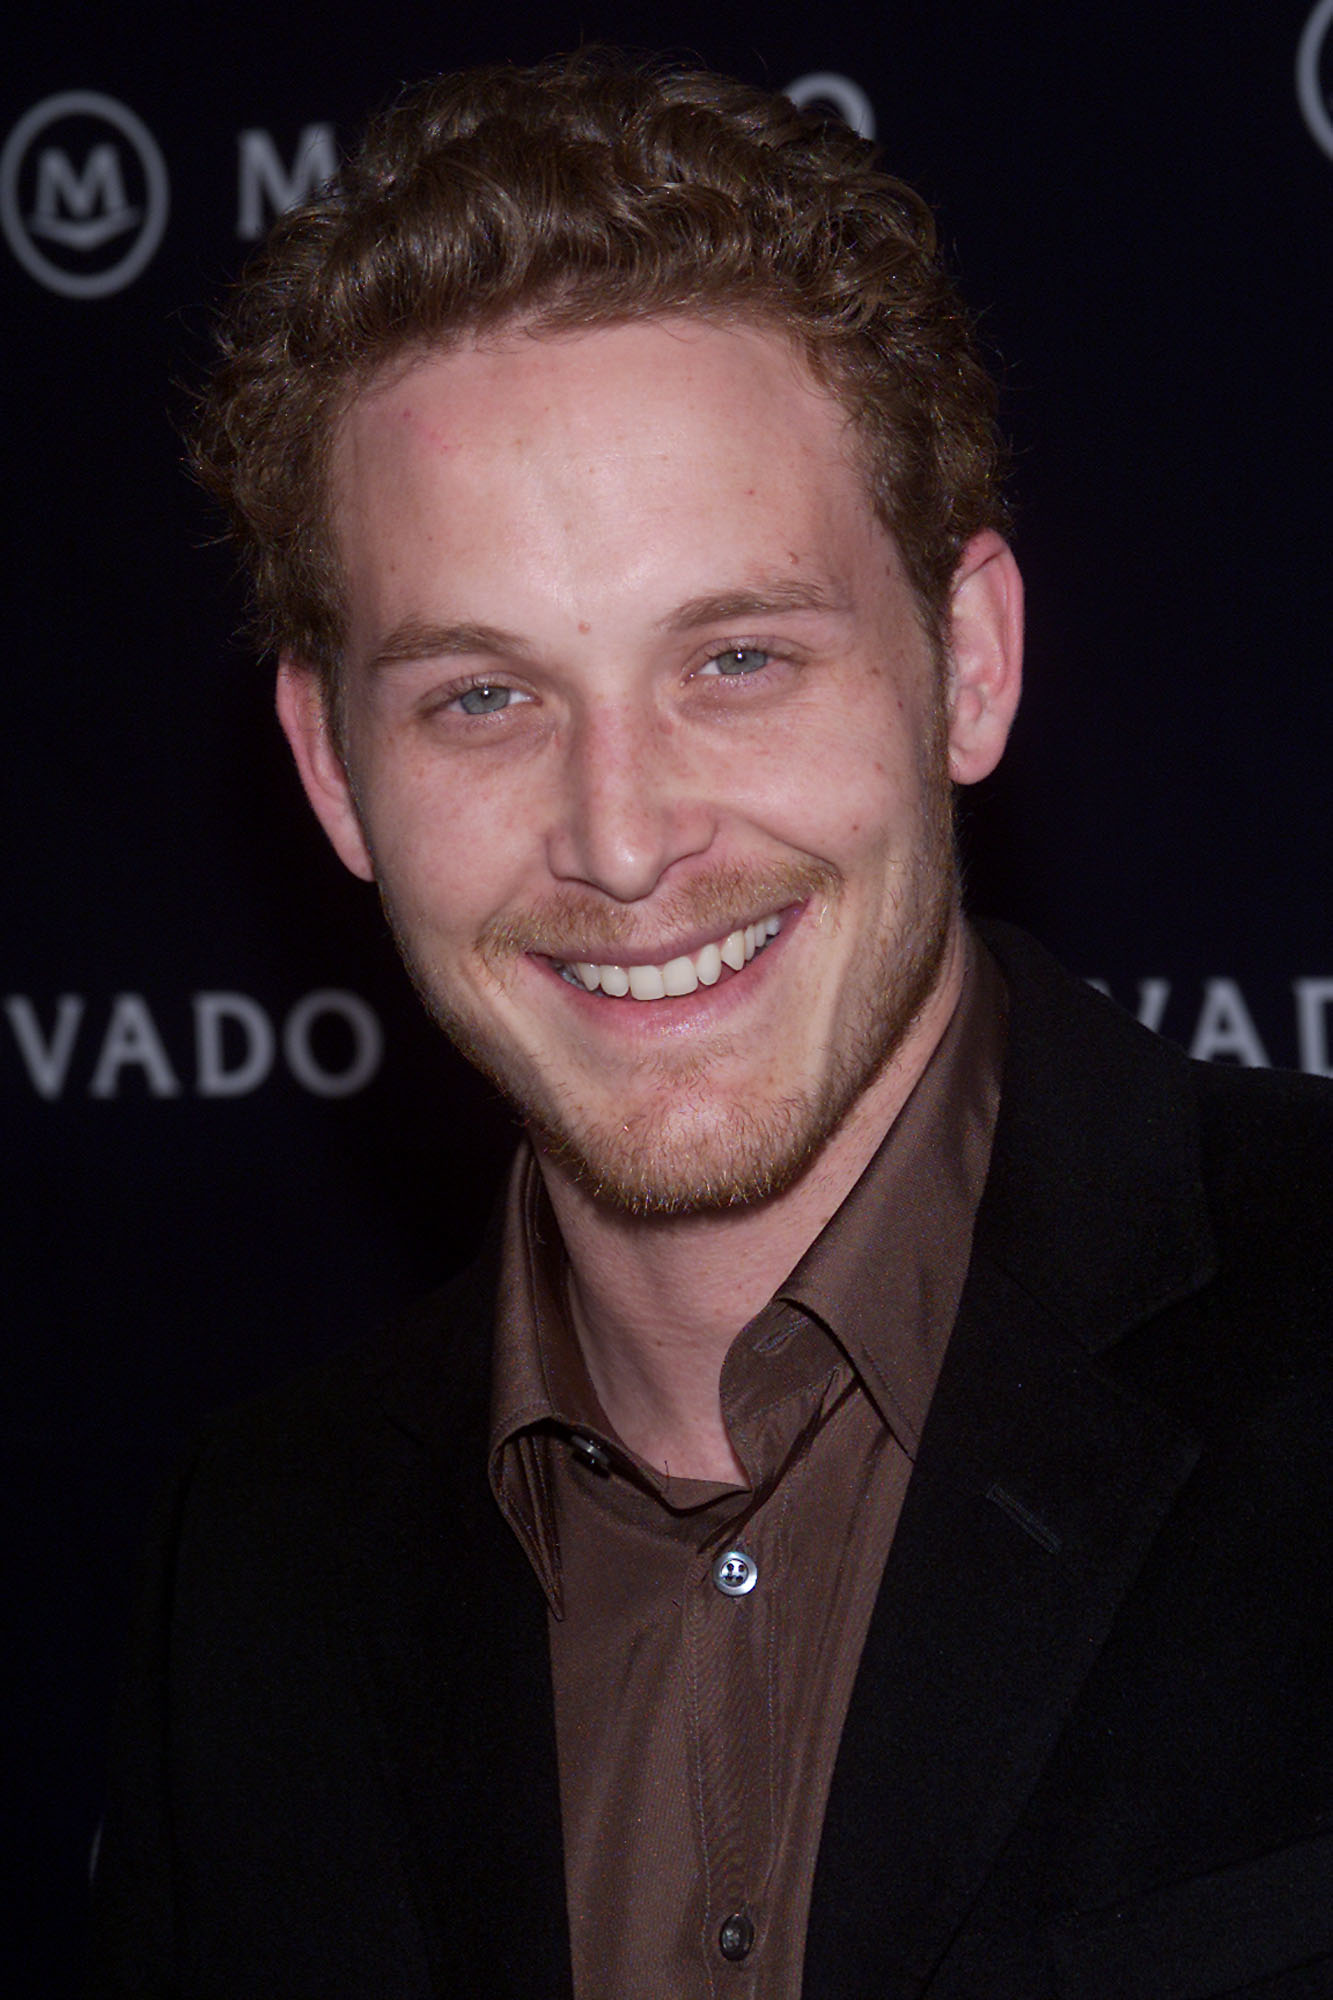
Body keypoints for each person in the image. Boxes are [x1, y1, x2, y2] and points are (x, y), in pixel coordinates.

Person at [90, 52, 1333, 2000]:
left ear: (968, 665)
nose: (623, 836)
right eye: (483, 699)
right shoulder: (252, 1566)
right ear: (334, 774)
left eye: (735, 658)